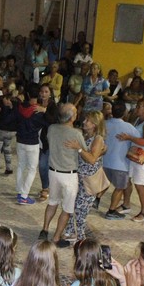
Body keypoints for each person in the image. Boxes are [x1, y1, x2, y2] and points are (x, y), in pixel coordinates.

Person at [40, 103, 83, 245]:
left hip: (53, 172)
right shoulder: (76, 134)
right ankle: (56, 237)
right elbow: (85, 152)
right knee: (67, 209)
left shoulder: (52, 128)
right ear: (72, 117)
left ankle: (45, 230)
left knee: (52, 202)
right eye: (75, 113)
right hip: (69, 175)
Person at [66, 110, 107, 243]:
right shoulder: (84, 135)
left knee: (81, 209)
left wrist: (78, 148)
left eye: (87, 120)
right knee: (71, 205)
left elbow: (92, 159)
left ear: (94, 124)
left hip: (88, 180)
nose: (84, 122)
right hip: (78, 177)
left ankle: (80, 238)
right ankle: (71, 232)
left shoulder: (98, 139)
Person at [117, 100, 144, 222]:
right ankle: (126, 204)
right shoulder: (138, 119)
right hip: (135, 154)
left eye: (139, 106)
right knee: (127, 179)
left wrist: (129, 137)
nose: (136, 108)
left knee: (140, 184)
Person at [103, 102, 137, 220]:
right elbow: (139, 141)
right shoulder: (129, 127)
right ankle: (111, 211)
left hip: (104, 161)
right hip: (120, 164)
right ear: (125, 113)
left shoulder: (104, 124)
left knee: (103, 183)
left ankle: (96, 200)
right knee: (119, 188)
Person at [15, 88, 48, 205]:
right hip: (32, 142)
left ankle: (20, 192)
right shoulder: (38, 111)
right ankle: (24, 196)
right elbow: (47, 123)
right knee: (32, 169)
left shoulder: (20, 107)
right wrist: (45, 110)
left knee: (21, 166)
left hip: (20, 140)